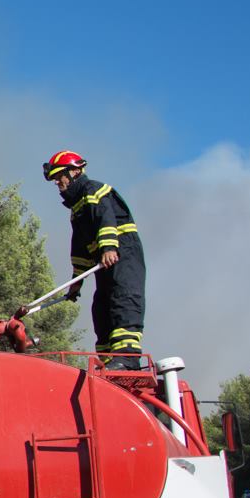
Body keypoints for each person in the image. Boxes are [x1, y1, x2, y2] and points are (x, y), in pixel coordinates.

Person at [42, 150, 146, 370]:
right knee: (101, 307)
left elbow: (105, 218)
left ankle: (127, 357)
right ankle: (109, 358)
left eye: (59, 176)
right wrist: (76, 281)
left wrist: (109, 246)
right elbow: (79, 247)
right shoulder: (77, 208)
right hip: (106, 260)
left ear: (75, 171)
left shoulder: (94, 190)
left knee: (123, 298)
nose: (57, 183)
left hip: (123, 254)